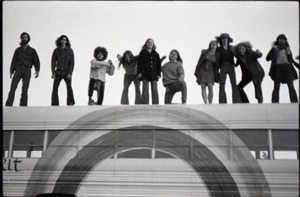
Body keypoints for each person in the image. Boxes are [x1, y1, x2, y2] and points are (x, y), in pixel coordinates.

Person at [5, 32, 40, 106]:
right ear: (21, 39)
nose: (24, 38)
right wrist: (11, 71)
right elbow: (14, 60)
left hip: (27, 69)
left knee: (24, 89)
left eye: (25, 37)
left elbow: (36, 61)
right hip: (18, 69)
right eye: (23, 37)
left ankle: (23, 105)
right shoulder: (18, 50)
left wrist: (37, 70)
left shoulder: (32, 50)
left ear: (28, 39)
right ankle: (8, 104)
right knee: (13, 87)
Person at [266, 34, 299, 103]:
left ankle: (294, 102)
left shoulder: (287, 49)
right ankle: (275, 102)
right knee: (276, 86)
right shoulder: (274, 48)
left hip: (287, 67)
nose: (281, 41)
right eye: (279, 40)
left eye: (282, 40)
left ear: (285, 41)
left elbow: (291, 59)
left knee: (291, 85)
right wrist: (273, 51)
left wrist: (289, 53)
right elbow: (267, 58)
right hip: (278, 67)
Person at [216, 33, 241, 103]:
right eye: (223, 39)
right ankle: (222, 101)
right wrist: (217, 71)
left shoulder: (232, 48)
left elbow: (238, 57)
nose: (224, 40)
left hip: (231, 66)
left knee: (234, 83)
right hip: (223, 66)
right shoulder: (219, 49)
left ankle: (236, 101)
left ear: (228, 39)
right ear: (221, 40)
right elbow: (217, 60)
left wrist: (236, 64)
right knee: (222, 84)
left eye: (226, 38)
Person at [51, 35, 75, 106]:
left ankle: (70, 102)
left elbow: (72, 62)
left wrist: (70, 73)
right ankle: (55, 103)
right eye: (62, 40)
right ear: (59, 41)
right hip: (58, 71)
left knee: (69, 87)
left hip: (67, 72)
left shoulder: (70, 50)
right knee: (55, 88)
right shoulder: (56, 50)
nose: (63, 41)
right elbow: (53, 62)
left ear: (67, 41)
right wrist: (53, 72)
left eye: (65, 40)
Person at [137, 38, 162, 104]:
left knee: (154, 88)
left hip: (154, 73)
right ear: (146, 44)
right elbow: (139, 64)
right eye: (148, 42)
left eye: (151, 42)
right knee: (145, 89)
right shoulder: (142, 53)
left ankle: (155, 103)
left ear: (153, 44)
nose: (150, 43)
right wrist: (139, 73)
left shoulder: (156, 54)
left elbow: (158, 65)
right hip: (145, 73)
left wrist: (159, 74)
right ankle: (145, 103)